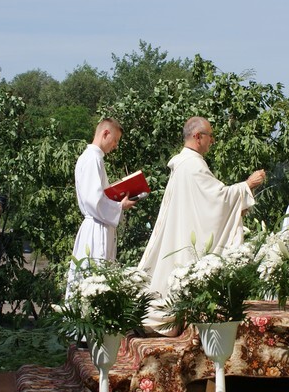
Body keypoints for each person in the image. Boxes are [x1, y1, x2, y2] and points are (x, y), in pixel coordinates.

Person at [138, 116, 265, 335]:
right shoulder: (193, 165)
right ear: (198, 137)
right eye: (210, 136)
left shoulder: (184, 163)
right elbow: (218, 199)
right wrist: (248, 185)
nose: (212, 141)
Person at [67, 118, 136, 290]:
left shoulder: (93, 158)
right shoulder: (92, 159)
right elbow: (94, 201)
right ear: (105, 133)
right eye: (115, 140)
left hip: (98, 224)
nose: (115, 146)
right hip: (96, 228)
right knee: (95, 280)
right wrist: (120, 206)